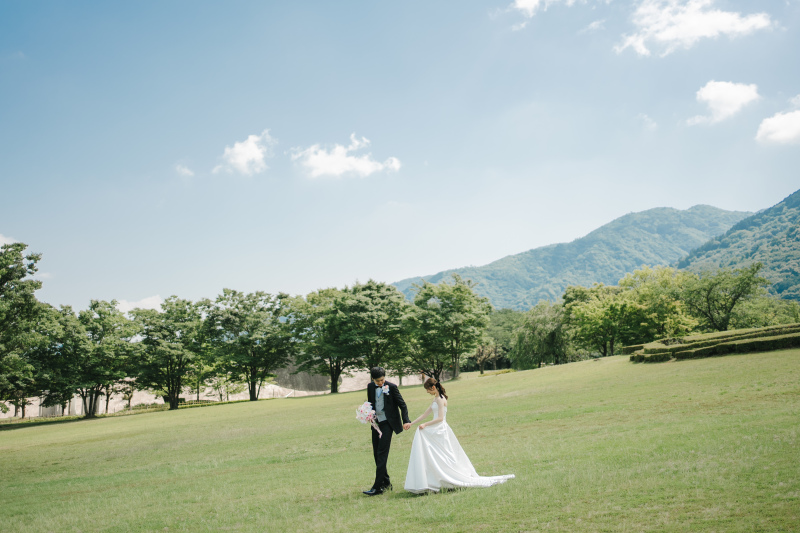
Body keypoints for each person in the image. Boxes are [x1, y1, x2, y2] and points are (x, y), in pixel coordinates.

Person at [404, 378, 515, 494]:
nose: (427, 392)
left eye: (428, 390)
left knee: (444, 455)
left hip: (440, 429)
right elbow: (425, 414)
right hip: (436, 429)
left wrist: (425, 424)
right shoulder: (435, 399)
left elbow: (440, 418)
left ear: (433, 387)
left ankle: (448, 477)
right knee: (434, 450)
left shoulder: (440, 400)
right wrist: (411, 423)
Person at [363, 367, 411, 496]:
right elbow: (370, 403)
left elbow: (402, 404)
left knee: (382, 454)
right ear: (372, 379)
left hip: (388, 424)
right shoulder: (370, 387)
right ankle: (386, 483)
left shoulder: (392, 387)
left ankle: (377, 487)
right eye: (378, 381)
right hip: (376, 424)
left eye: (382, 380)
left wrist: (406, 420)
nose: (381, 383)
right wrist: (367, 413)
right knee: (376, 455)